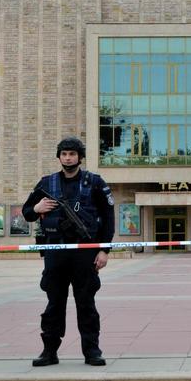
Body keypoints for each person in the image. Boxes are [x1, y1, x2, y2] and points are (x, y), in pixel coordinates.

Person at [22, 136, 115, 367]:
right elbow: (26, 212)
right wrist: (36, 207)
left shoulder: (94, 182)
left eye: (72, 154)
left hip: (85, 252)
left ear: (80, 157)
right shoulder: (47, 183)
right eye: (64, 154)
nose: (68, 158)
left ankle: (92, 351)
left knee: (86, 304)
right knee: (54, 304)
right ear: (59, 157)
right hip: (56, 252)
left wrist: (104, 250)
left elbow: (109, 219)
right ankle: (49, 351)